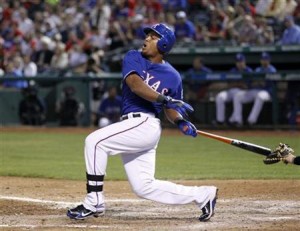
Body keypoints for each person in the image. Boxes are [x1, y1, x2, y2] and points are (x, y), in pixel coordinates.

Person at [67, 23, 218, 222]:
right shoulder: (134, 56)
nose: (146, 39)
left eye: (153, 37)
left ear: (163, 44)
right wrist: (164, 100)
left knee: (94, 142)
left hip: (145, 124)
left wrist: (180, 121)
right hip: (135, 127)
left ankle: (94, 201)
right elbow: (135, 85)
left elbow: (171, 110)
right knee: (143, 186)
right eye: (147, 36)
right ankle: (204, 195)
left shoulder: (173, 76)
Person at [229, 52, 276, 127]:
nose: (264, 61)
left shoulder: (272, 70)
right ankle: (238, 121)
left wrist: (261, 82)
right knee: (238, 96)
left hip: (267, 91)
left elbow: (269, 83)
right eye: (262, 59)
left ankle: (251, 121)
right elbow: (252, 82)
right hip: (255, 90)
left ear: (269, 60)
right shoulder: (258, 69)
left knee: (260, 96)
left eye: (265, 59)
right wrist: (256, 83)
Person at [214, 53, 252, 125]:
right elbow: (229, 84)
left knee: (237, 96)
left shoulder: (248, 71)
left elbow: (246, 86)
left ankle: (236, 120)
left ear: (244, 62)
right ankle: (220, 120)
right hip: (231, 91)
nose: (239, 63)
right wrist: (238, 84)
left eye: (241, 61)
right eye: (238, 61)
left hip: (243, 93)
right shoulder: (233, 70)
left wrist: (237, 84)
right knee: (220, 96)